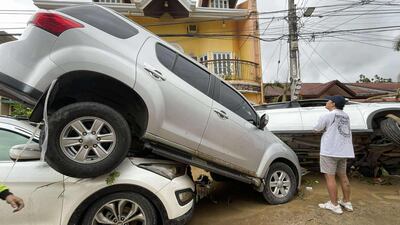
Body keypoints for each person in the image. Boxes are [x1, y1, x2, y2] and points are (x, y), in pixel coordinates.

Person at [313, 95, 355, 214]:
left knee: (330, 177)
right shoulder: (346, 116)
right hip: (344, 151)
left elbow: (317, 129)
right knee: (343, 176)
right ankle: (347, 202)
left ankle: (334, 204)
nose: (326, 102)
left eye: (328, 101)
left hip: (330, 151)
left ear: (333, 104)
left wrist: (317, 129)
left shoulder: (328, 115)